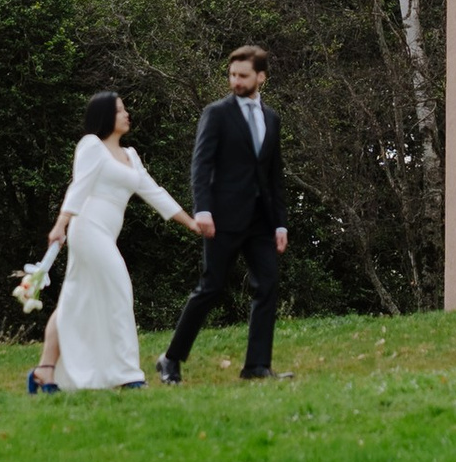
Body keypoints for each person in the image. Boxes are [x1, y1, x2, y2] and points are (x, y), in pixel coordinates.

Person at [29, 92, 189, 393]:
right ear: (104, 116)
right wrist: (60, 224)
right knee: (120, 288)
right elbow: (79, 187)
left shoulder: (131, 155)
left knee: (74, 299)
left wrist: (192, 223)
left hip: (106, 233)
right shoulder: (91, 146)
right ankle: (129, 375)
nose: (126, 113)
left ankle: (45, 370)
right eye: (119, 110)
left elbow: (154, 192)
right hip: (87, 229)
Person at [156, 43, 289, 384]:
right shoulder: (216, 113)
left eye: (243, 76)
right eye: (232, 75)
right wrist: (202, 210)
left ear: (261, 76)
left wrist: (280, 224)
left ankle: (257, 366)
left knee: (268, 285)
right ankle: (170, 359)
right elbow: (201, 165)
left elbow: (274, 176)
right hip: (222, 218)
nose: (236, 81)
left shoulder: (271, 118)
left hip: (261, 221)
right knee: (211, 288)